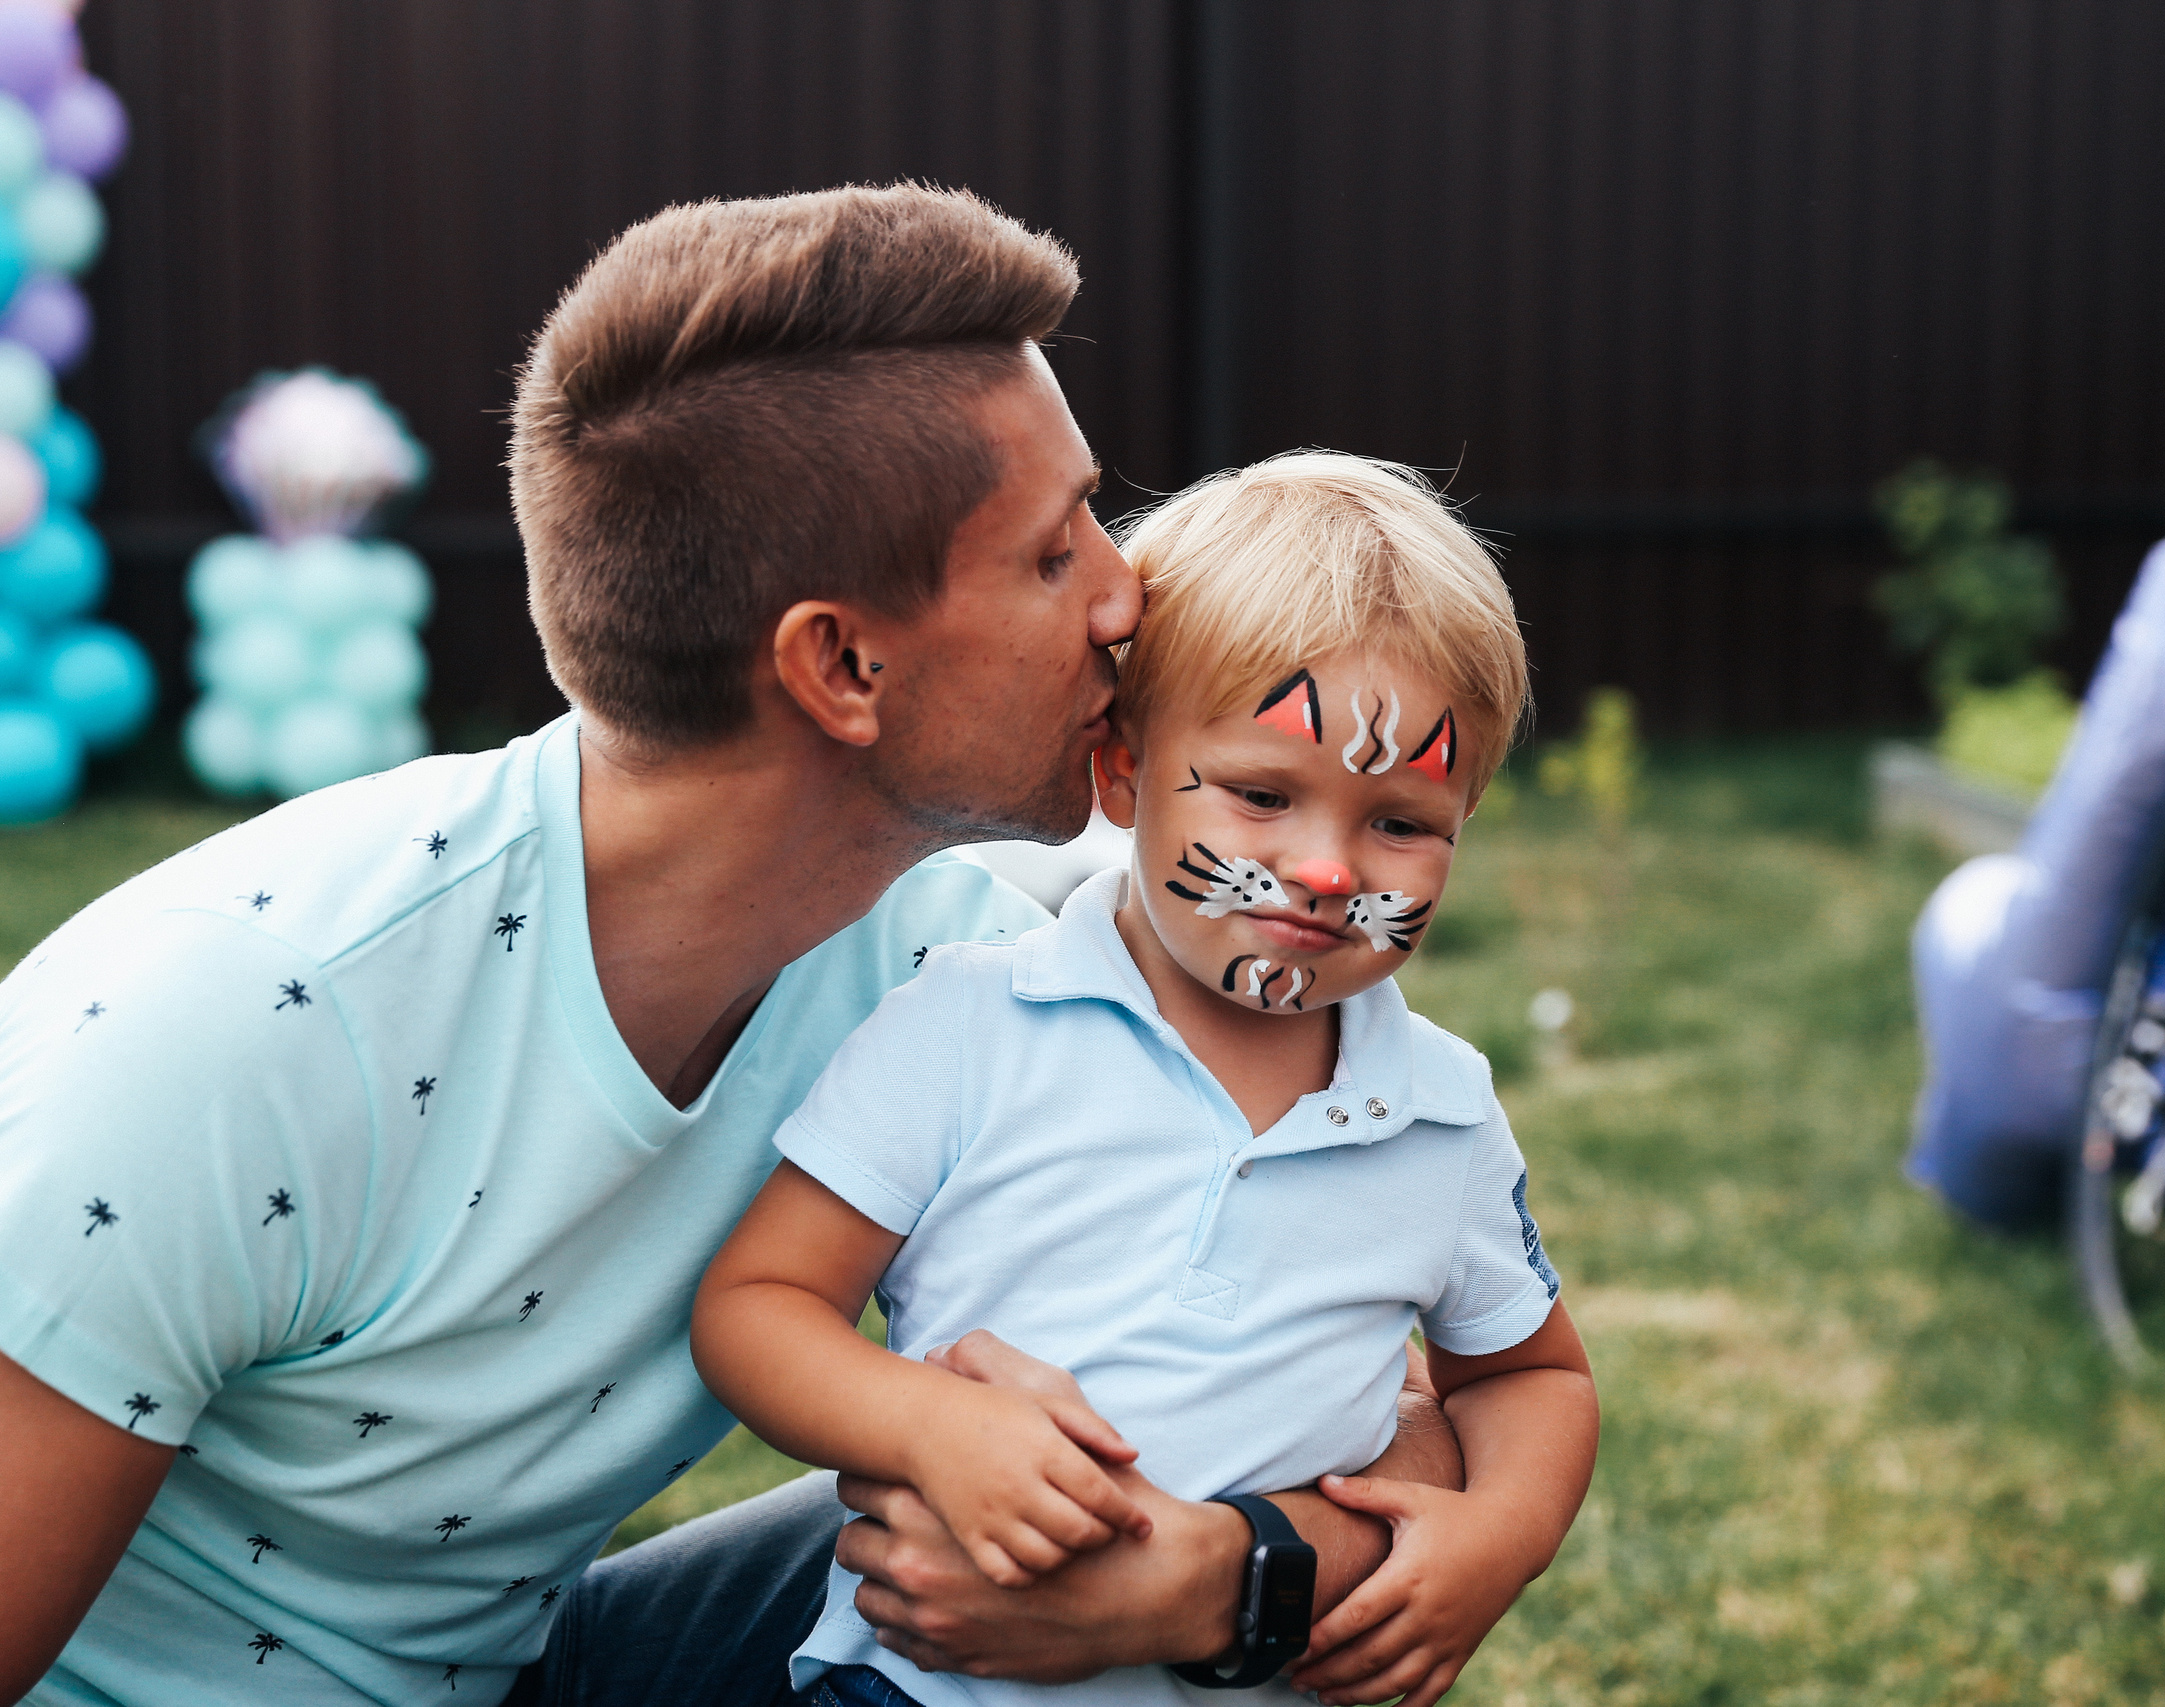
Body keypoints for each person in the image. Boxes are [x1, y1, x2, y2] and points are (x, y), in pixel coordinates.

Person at [0, 185, 1458, 1706]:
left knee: (1108, 1529)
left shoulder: (952, 976)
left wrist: (1222, 1574)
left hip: (527, 1675)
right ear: (840, 661)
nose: (1124, 595)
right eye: (1051, 550)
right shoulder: (231, 1034)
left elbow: (1388, 1410)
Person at [692, 453, 1602, 1707]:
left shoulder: (1438, 1113)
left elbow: (1529, 1375)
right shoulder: (972, 1022)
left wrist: (1497, 1539)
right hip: (918, 1683)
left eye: (1399, 822)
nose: (1328, 869)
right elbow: (758, 1304)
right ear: (1122, 773)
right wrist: (928, 1427)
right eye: (1262, 794)